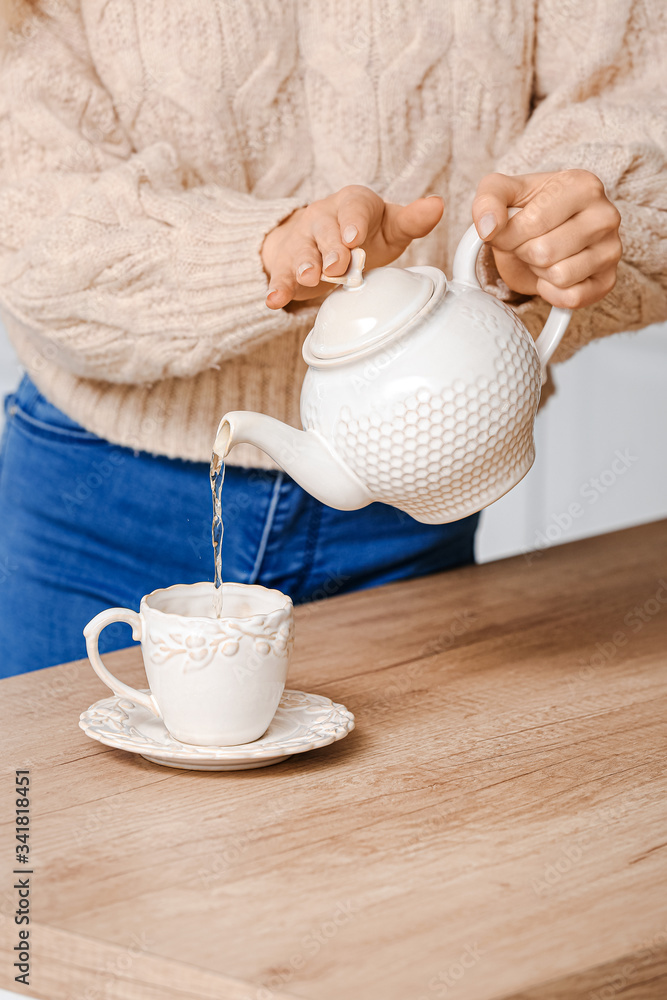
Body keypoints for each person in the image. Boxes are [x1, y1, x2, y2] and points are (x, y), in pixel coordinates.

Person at [0, 0, 664, 677]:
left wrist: (545, 241)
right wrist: (263, 255)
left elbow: (640, 93)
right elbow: (28, 223)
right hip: (95, 508)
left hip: (410, 500)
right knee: (57, 783)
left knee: (407, 784)